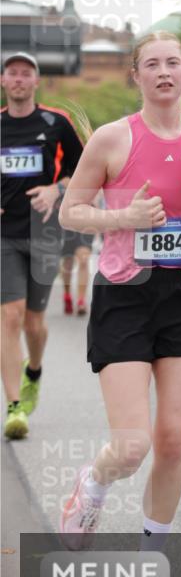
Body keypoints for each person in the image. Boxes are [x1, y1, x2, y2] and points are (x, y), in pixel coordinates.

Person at [58, 33, 181, 577]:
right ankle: (95, 483)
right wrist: (122, 220)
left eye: (172, 62)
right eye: (151, 64)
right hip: (125, 295)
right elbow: (71, 212)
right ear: (136, 76)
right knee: (132, 445)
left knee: (174, 439)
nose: (163, 72)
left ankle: (152, 560)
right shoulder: (111, 140)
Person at [1, 51, 83, 439]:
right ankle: (15, 406)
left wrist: (56, 188)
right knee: (10, 316)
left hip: (45, 233)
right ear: (3, 81)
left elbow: (85, 169)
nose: (18, 79)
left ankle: (34, 368)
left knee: (35, 321)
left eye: (25, 73)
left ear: (36, 82)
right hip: (4, 236)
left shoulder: (55, 123)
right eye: (12, 73)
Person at [60, 230, 94, 315]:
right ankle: (67, 295)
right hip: (69, 222)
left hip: (88, 221)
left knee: (83, 259)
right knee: (68, 261)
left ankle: (81, 301)